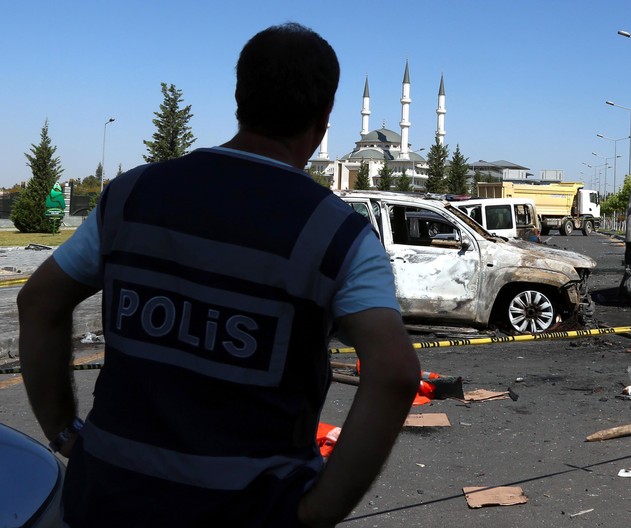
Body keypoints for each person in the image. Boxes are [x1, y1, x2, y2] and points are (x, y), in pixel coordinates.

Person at [18, 22, 419, 527]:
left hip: (106, 497)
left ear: (239, 97)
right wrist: (317, 512)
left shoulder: (133, 196)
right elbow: (396, 373)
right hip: (248, 509)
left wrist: (62, 432)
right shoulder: (338, 235)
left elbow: (38, 302)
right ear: (323, 119)